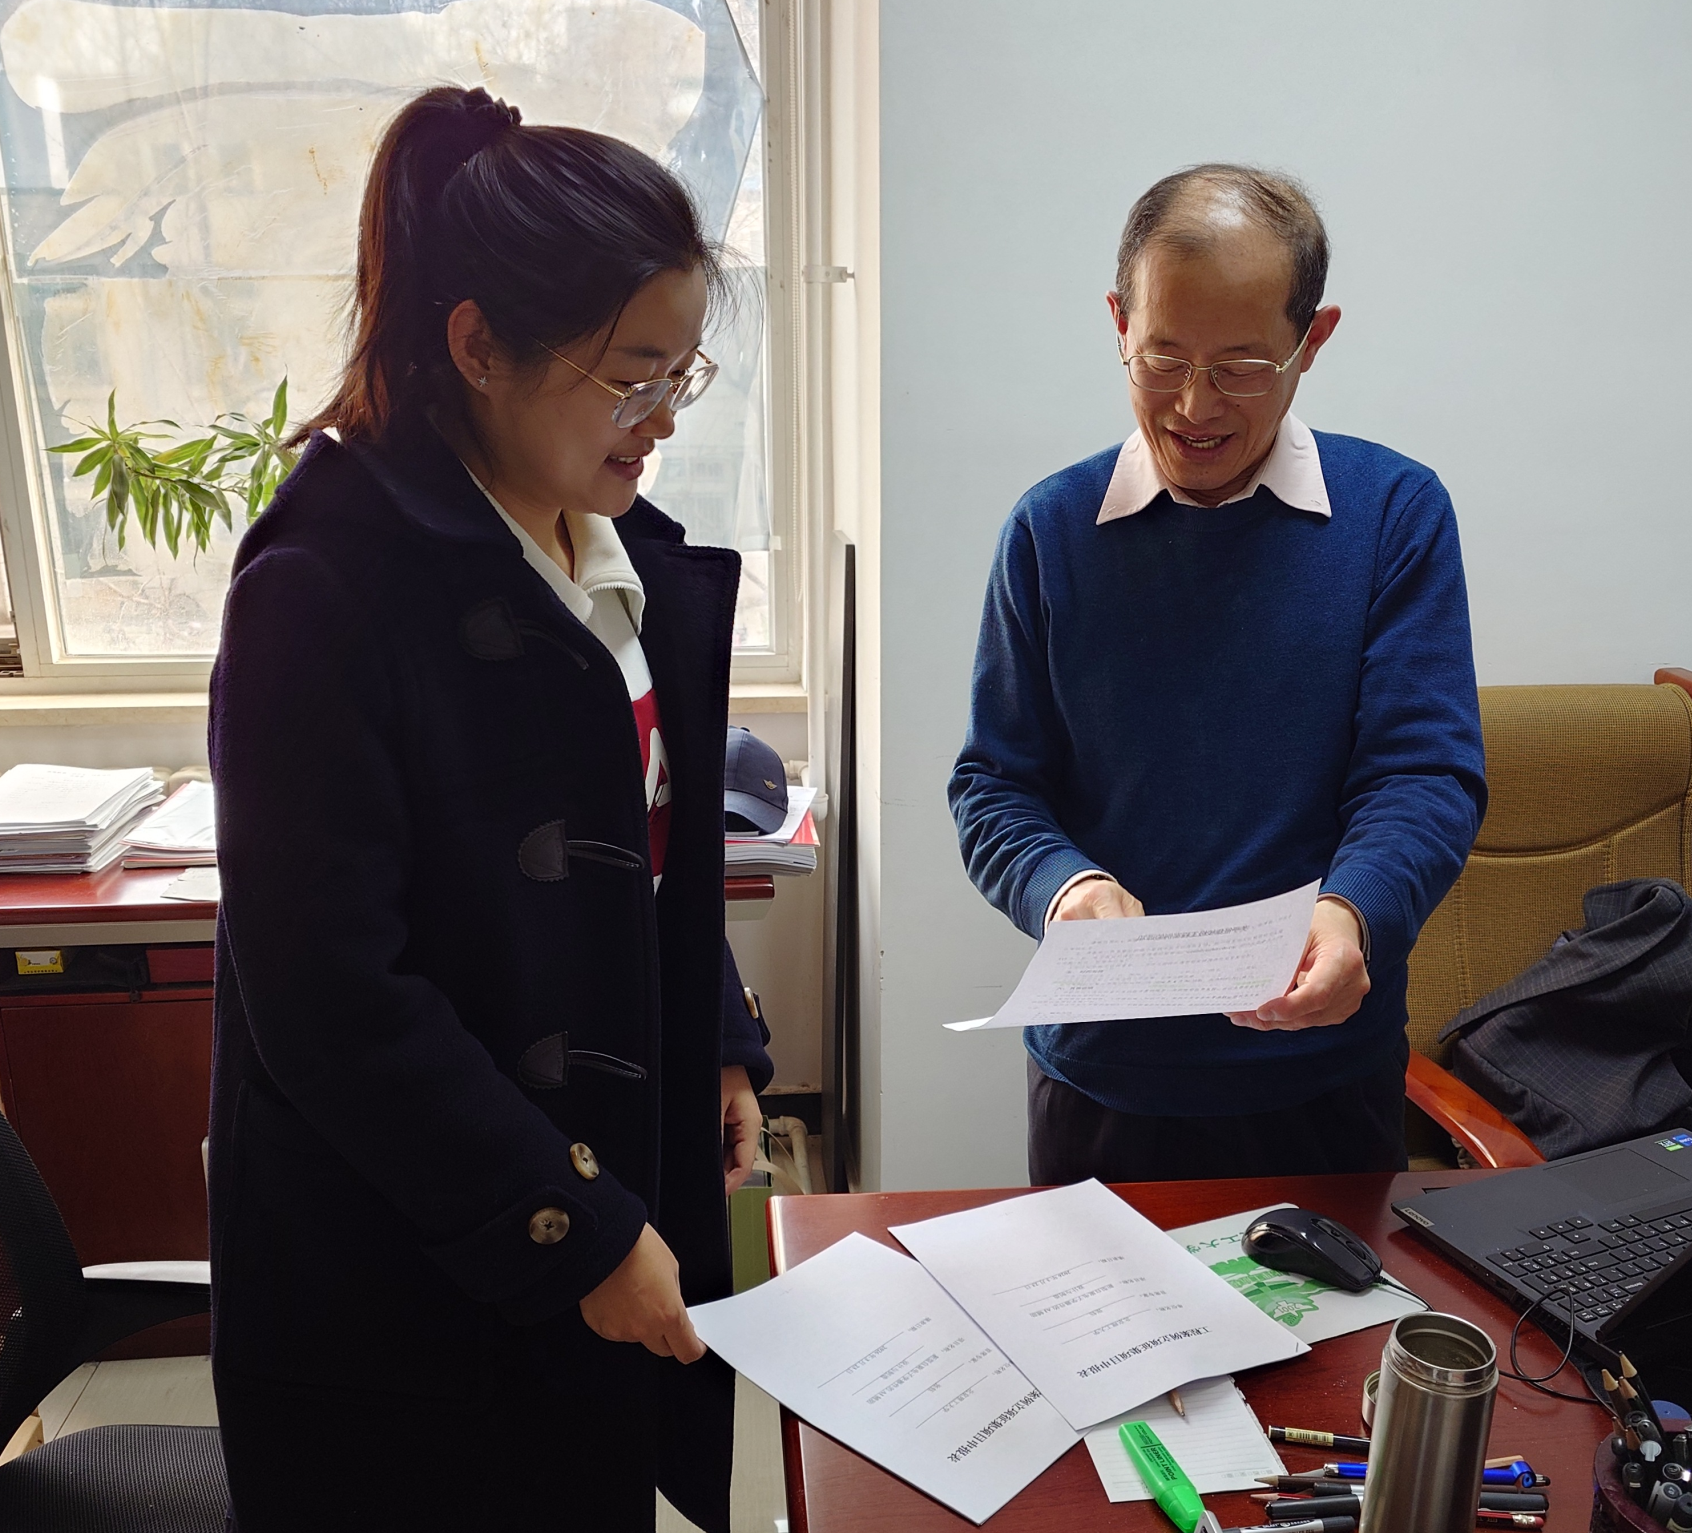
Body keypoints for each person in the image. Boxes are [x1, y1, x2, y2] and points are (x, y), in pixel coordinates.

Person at [207, 86, 772, 1532]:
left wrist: (713, 1038)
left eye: (681, 374)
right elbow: (332, 1002)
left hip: (585, 1186)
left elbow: (647, 842)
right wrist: (568, 1230)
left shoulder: (604, 546)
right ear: (477, 347)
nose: (662, 420)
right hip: (403, 1276)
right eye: (630, 377)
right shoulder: (324, 586)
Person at [949, 164, 1487, 1186]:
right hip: (1105, 1080)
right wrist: (1067, 890)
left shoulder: (1393, 515)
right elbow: (994, 785)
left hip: (1323, 1076)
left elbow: (1423, 775)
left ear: (1311, 341)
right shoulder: (1051, 531)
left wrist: (1354, 910)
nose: (1195, 406)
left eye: (1242, 368)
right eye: (1163, 359)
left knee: (1334, 1302)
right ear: (1119, 323)